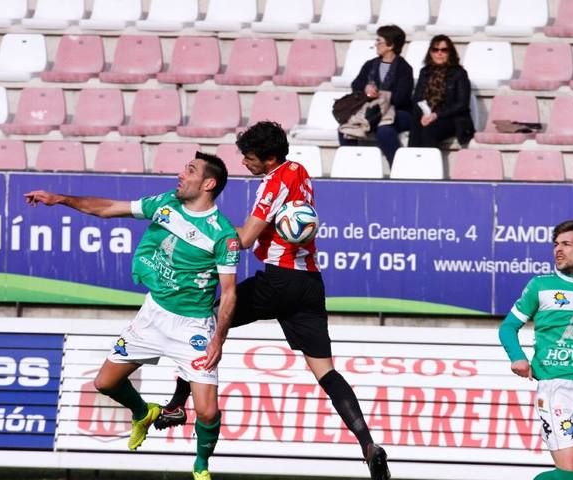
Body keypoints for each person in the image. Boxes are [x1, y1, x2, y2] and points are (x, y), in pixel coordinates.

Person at [156, 121, 391, 480]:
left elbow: (246, 239)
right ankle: (368, 444)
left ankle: (176, 404)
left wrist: (203, 230)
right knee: (326, 371)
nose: (245, 164)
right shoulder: (299, 170)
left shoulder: (272, 181)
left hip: (279, 278)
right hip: (309, 282)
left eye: (249, 158)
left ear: (267, 160)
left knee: (207, 317)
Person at [24, 152, 239, 480]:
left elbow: (229, 293)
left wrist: (218, 340)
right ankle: (144, 412)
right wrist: (60, 199)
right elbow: (109, 208)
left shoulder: (222, 234)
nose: (181, 174)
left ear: (208, 183)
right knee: (105, 382)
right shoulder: (165, 204)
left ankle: (201, 466)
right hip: (153, 315)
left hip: (194, 326)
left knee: (208, 411)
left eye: (190, 170)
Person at [499, 220, 573, 480]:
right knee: (571, 474)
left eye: (566, 244)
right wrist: (518, 358)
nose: (558, 250)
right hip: (558, 393)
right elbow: (507, 328)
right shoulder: (541, 286)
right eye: (556, 244)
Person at [340, 24, 414, 166]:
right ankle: (350, 167)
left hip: (398, 112)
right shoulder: (370, 65)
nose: (376, 44)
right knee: (346, 129)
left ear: (390, 45)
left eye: (379, 41)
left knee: (384, 131)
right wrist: (366, 89)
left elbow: (401, 98)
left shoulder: (404, 69)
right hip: (372, 111)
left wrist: (379, 95)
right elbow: (356, 85)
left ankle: (398, 168)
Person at [408, 34, 475, 148]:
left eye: (444, 50)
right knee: (416, 125)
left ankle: (429, 164)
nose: (439, 53)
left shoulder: (459, 73)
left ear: (450, 53)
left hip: (451, 119)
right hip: (428, 115)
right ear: (430, 53)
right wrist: (424, 114)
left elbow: (462, 104)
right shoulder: (425, 72)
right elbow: (417, 98)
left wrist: (436, 115)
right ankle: (414, 162)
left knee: (428, 129)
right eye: (435, 50)